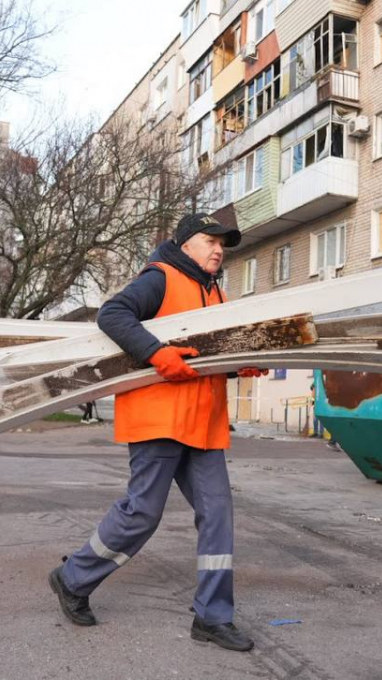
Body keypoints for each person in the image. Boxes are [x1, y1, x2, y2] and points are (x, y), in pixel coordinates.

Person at [48, 212, 265, 652]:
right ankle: (72, 578)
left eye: (224, 244)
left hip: (203, 425)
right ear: (186, 244)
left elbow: (204, 357)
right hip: (160, 419)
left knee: (219, 515)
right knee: (143, 513)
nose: (219, 249)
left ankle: (212, 617)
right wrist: (156, 353)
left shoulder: (217, 292)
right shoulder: (161, 277)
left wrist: (237, 364)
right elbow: (112, 315)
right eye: (211, 240)